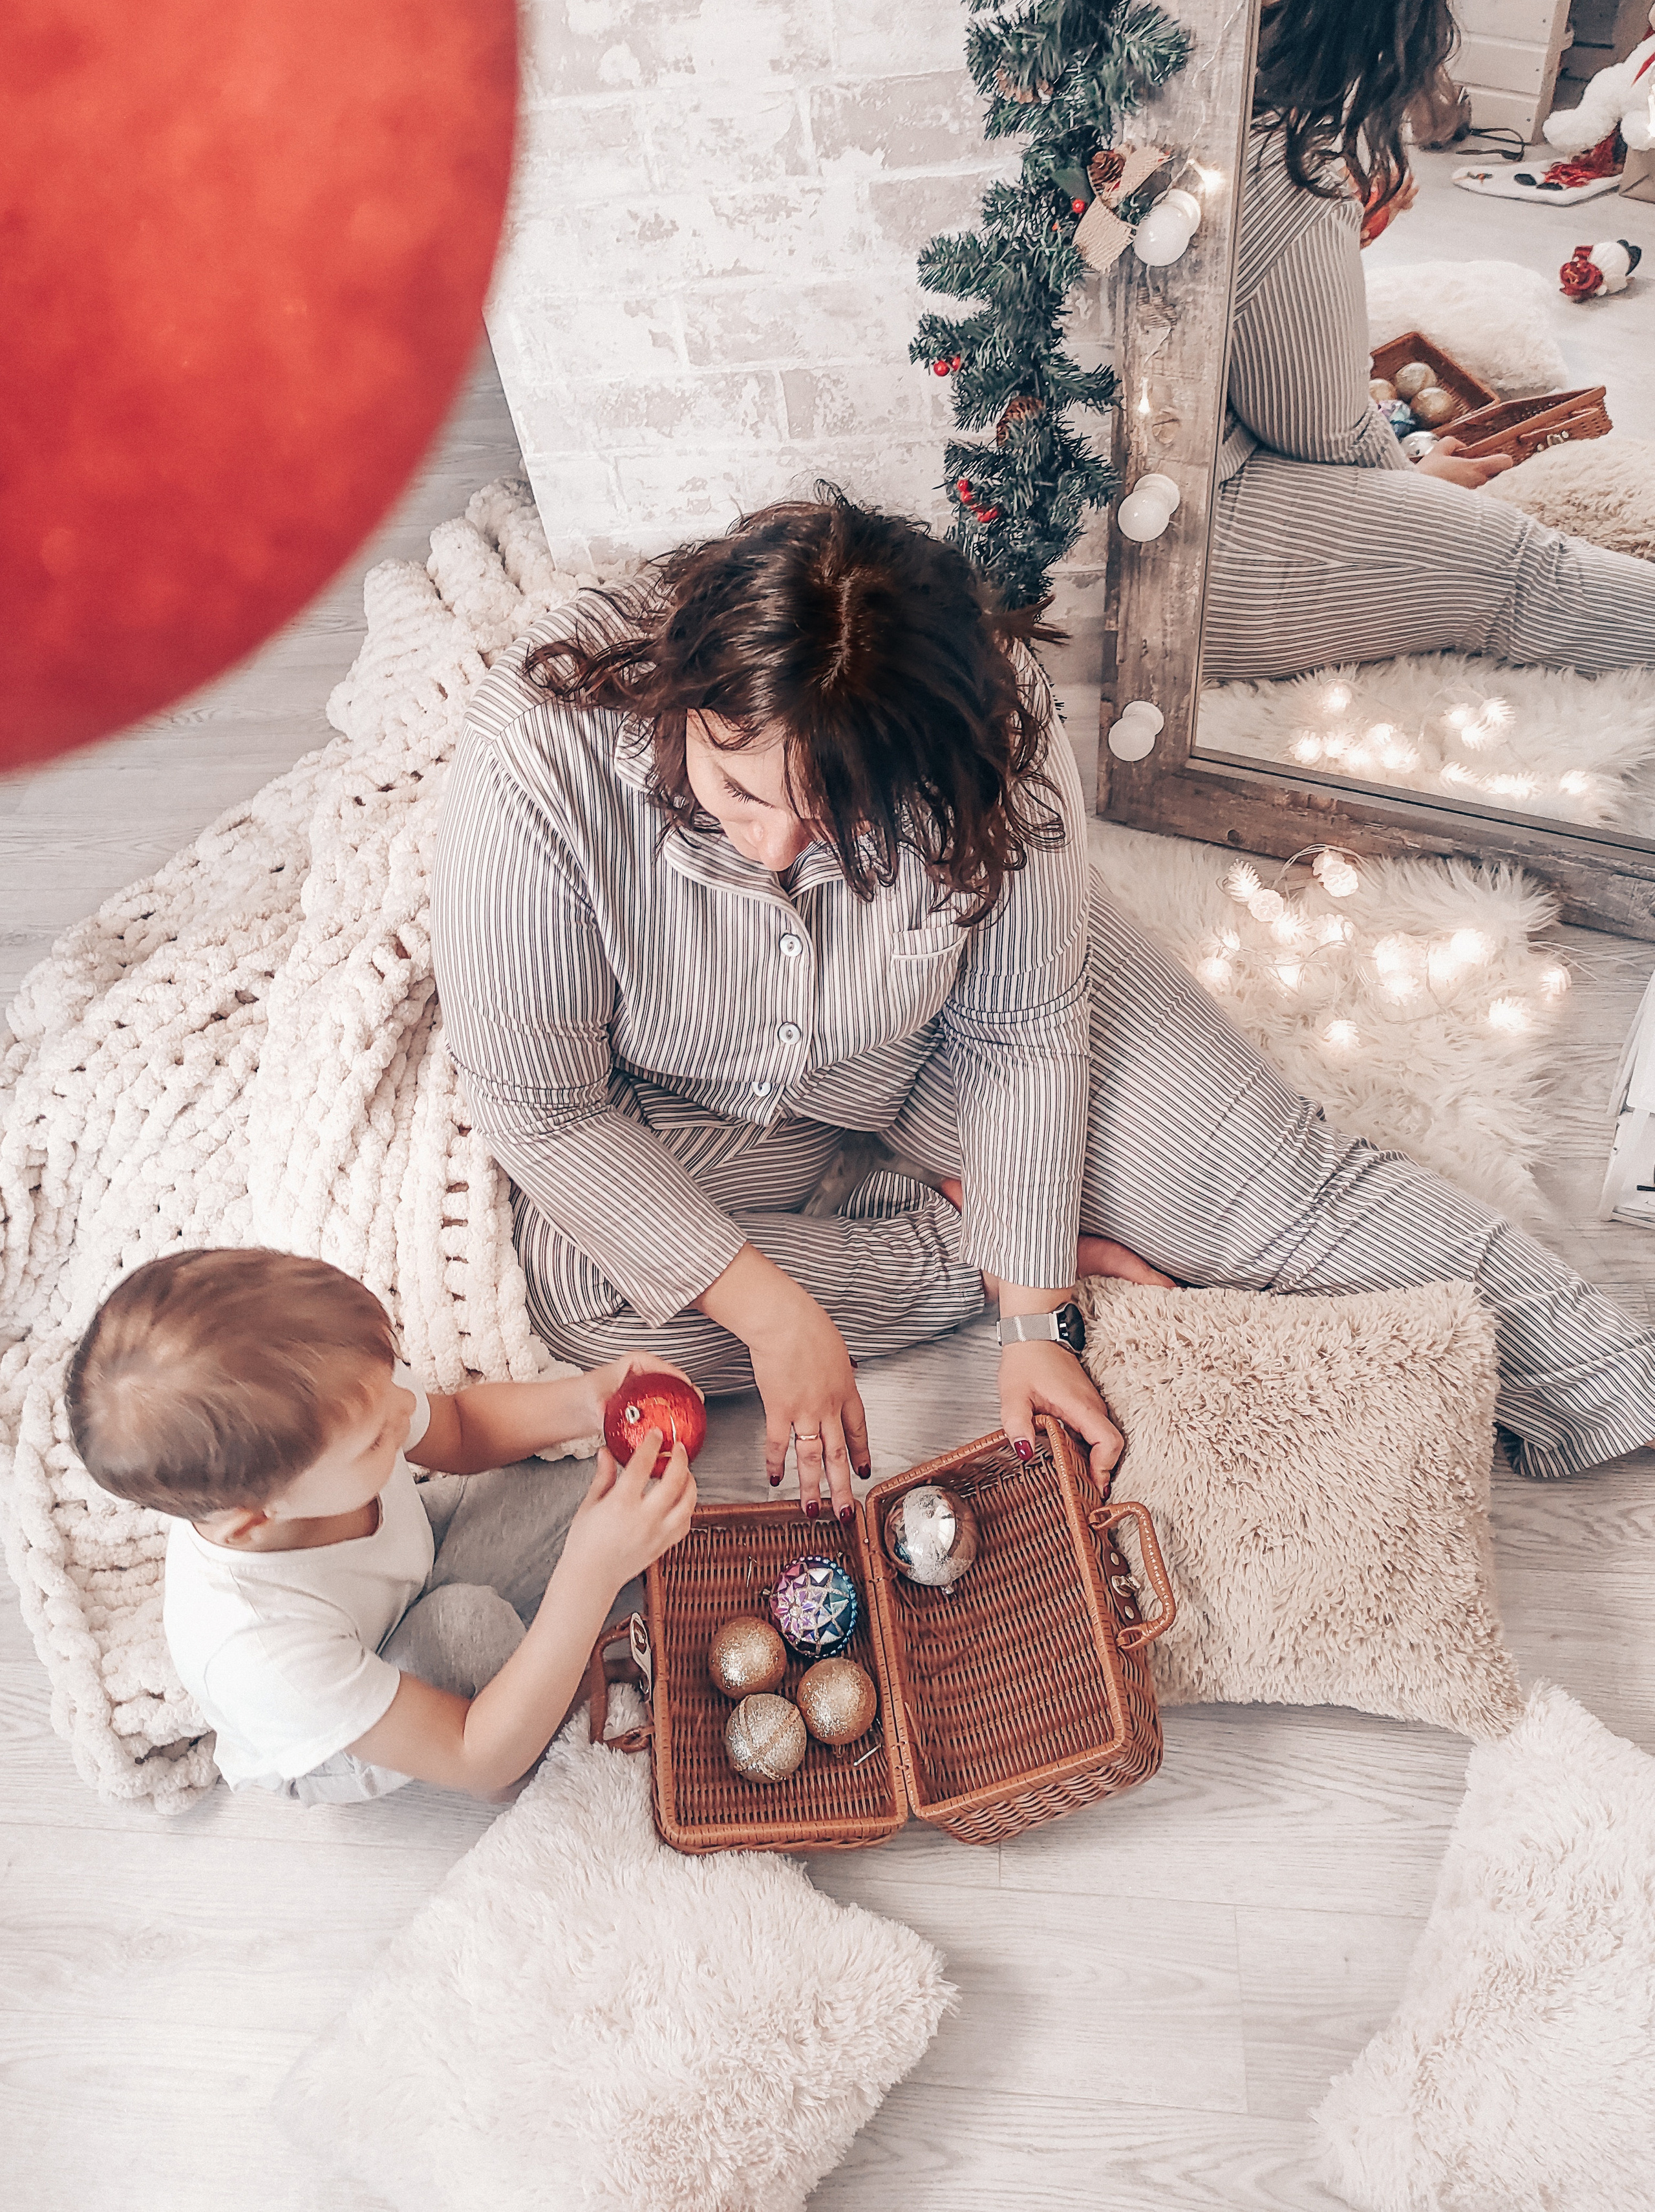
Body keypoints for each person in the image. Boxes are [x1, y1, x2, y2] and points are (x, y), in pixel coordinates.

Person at [431, 493, 1655, 1516]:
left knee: (1264, 1192)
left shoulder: (984, 726)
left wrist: (1038, 1336)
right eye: (740, 791)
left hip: (938, 1042)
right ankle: (967, 1245)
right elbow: (542, 1110)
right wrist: (788, 1312)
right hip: (689, 1087)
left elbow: (1020, 1029)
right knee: (589, 1298)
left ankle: (1610, 1378)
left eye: (839, 822)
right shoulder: (536, 757)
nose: (776, 852)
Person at [65, 1247, 696, 1804]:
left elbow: (460, 1429)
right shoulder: (259, 1650)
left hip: (412, 1570)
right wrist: (587, 1580)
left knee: (593, 1482)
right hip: (366, 1720)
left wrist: (588, 1399)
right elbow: (473, 1753)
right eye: (377, 1439)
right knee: (465, 1628)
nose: (404, 1410)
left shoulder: (344, 1399)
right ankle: (534, 1739)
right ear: (255, 1518)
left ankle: (534, 1655)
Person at [1203, 0, 1655, 682]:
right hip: (1182, 540)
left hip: (1046, 496)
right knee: (1522, 567)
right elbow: (1318, 431)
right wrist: (1412, 489)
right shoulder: (1275, 165)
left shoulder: (1103, 82)